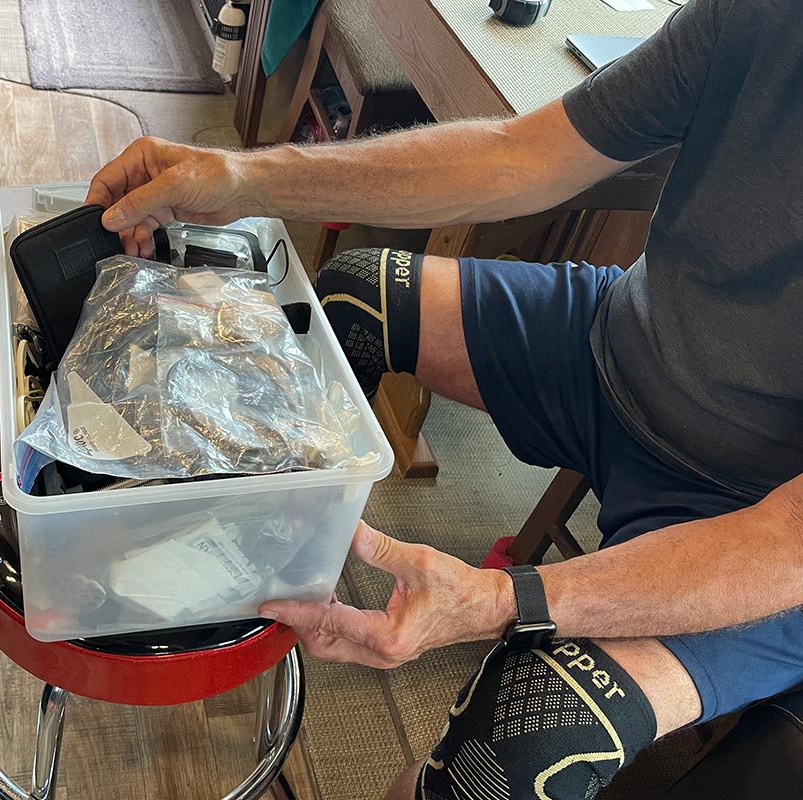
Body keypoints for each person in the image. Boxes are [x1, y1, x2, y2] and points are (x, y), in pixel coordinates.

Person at [85, 0, 803, 797]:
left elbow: (792, 538)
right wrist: (247, 176)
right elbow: (516, 155)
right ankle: (254, 585)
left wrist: (503, 598)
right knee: (353, 301)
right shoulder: (757, 16)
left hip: (759, 522)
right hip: (621, 343)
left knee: (515, 748)